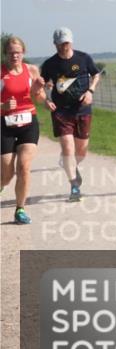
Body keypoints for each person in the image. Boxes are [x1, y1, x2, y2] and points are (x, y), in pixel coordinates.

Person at [40, 28, 100, 202]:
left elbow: (96, 75)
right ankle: (74, 186)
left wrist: (90, 91)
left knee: (81, 151)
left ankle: (71, 165)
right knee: (67, 147)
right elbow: (41, 85)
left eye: (66, 43)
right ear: (55, 44)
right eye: (60, 44)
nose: (63, 47)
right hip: (61, 111)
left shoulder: (83, 58)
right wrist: (45, 99)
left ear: (71, 41)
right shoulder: (50, 64)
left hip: (82, 110)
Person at [1, 36, 47, 224]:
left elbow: (40, 99)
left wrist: (38, 90)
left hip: (28, 122)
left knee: (24, 166)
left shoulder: (32, 70)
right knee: (7, 173)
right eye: (11, 53)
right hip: (5, 124)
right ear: (5, 53)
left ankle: (20, 209)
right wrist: (3, 106)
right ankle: (2, 184)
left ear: (23, 53)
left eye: (18, 52)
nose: (14, 56)